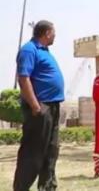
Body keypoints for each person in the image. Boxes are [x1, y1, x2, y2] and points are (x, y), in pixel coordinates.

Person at [13, 20, 64, 191]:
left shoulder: (44, 50)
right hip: (40, 107)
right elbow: (23, 78)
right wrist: (35, 106)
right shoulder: (29, 50)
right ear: (47, 33)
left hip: (53, 106)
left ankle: (47, 186)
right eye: (53, 32)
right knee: (33, 151)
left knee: (51, 149)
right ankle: (21, 187)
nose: (55, 35)